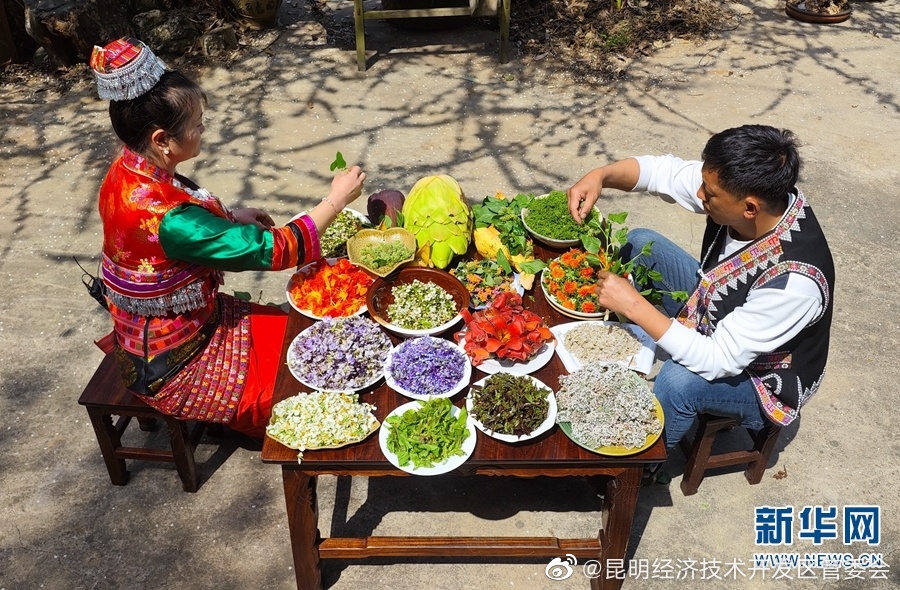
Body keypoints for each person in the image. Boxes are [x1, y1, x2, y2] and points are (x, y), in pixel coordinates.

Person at [89, 38, 366, 438]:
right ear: (162, 140)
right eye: (198, 124)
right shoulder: (171, 219)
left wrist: (231, 217)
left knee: (310, 340)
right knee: (311, 381)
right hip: (177, 360)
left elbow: (168, 232)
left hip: (177, 325)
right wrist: (335, 200)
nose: (203, 130)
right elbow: (273, 249)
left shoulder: (128, 167)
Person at [566, 124, 834, 454]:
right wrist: (601, 175)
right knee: (640, 244)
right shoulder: (742, 192)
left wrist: (635, 305)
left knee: (677, 382)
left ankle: (642, 464)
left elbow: (716, 359)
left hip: (760, 376)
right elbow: (659, 172)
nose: (700, 194)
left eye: (709, 193)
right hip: (717, 313)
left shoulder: (794, 285)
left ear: (749, 208)